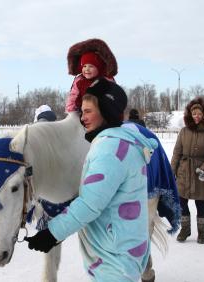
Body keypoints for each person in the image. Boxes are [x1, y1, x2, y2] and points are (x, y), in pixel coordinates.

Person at [25, 78, 158, 281]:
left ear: (106, 112)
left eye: (88, 112)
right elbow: (100, 195)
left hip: (114, 258)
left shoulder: (110, 149)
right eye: (82, 112)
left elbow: (90, 204)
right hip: (119, 250)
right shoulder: (117, 142)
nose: (82, 118)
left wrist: (51, 234)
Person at [171, 97, 204, 244]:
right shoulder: (184, 132)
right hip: (184, 172)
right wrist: (171, 172)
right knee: (181, 202)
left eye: (199, 114)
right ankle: (185, 229)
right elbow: (176, 154)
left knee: (200, 204)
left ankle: (202, 233)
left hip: (200, 174)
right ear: (190, 115)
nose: (197, 117)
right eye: (194, 114)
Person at [65, 38, 118, 113]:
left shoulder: (106, 80)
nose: (87, 69)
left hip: (102, 112)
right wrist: (71, 110)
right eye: (84, 66)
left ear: (99, 67)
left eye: (91, 66)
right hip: (82, 112)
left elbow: (113, 95)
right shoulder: (79, 80)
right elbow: (73, 96)